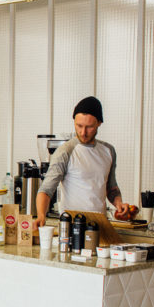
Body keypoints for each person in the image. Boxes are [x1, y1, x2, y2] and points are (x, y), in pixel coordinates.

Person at [36, 96, 132, 228]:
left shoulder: (108, 151)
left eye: (89, 127)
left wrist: (119, 204)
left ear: (99, 123)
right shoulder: (65, 151)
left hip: (100, 227)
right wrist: (41, 215)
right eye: (79, 126)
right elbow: (46, 189)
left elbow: (111, 187)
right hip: (72, 227)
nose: (83, 132)